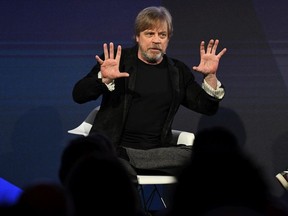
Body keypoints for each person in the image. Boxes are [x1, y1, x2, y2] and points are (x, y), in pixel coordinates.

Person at [72, 6, 227, 179]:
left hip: (157, 152)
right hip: (113, 147)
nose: (156, 40)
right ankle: (124, 158)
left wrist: (210, 76)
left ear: (168, 40)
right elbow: (79, 95)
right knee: (122, 172)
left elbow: (208, 108)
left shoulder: (178, 71)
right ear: (137, 37)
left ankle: (129, 156)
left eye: (162, 35)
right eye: (149, 34)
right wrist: (104, 80)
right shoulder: (118, 62)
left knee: (203, 155)